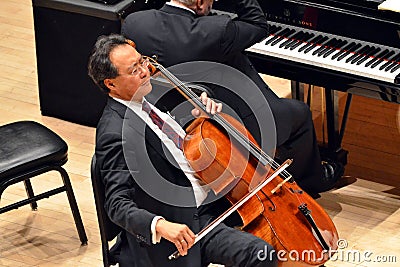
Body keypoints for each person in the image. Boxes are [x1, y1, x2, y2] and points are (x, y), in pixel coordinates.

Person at [88, 33, 278, 267]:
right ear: (111, 84)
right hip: (188, 225)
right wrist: (159, 224)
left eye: (142, 62)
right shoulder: (114, 133)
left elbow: (171, 138)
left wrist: (203, 115)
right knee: (261, 254)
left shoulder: (148, 95)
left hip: (217, 198)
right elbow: (116, 204)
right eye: (134, 70)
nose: (145, 71)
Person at [121, 0, 344, 196]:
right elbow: (258, 24)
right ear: (199, 3)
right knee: (301, 113)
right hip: (223, 127)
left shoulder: (134, 23)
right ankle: (312, 181)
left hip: (171, 122)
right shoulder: (215, 31)